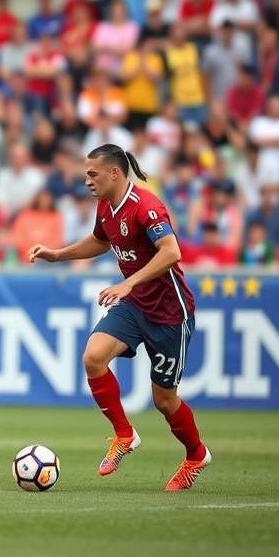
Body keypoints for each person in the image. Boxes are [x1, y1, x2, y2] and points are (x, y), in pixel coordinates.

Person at [28, 144, 210, 491]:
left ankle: (195, 455)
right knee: (93, 357)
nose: (87, 180)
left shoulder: (147, 207)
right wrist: (57, 255)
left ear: (114, 172)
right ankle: (124, 435)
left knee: (164, 401)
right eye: (86, 174)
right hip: (135, 305)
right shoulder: (106, 207)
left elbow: (172, 252)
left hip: (170, 313)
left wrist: (129, 282)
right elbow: (100, 241)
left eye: (92, 174)